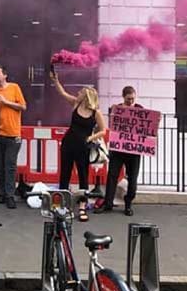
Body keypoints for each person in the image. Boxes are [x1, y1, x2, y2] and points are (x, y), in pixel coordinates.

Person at [49, 70, 106, 222]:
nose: (78, 93)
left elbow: (103, 131)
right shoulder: (76, 103)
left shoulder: (96, 113)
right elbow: (62, 92)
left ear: (87, 96)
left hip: (83, 146)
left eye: (81, 92)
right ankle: (60, 206)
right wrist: (55, 80)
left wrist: (90, 138)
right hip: (68, 143)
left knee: (83, 176)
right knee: (65, 174)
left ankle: (82, 207)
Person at [0, 66, 26, 209]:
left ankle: (10, 196)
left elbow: (23, 107)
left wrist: (5, 102)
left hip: (13, 135)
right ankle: (1, 194)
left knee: (10, 166)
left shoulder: (14, 88)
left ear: (5, 75)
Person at [98, 86, 142, 216]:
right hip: (118, 151)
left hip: (133, 152)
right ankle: (108, 204)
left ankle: (128, 204)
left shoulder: (140, 110)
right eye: (128, 99)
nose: (131, 101)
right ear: (123, 97)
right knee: (112, 177)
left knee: (132, 180)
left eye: (133, 99)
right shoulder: (117, 109)